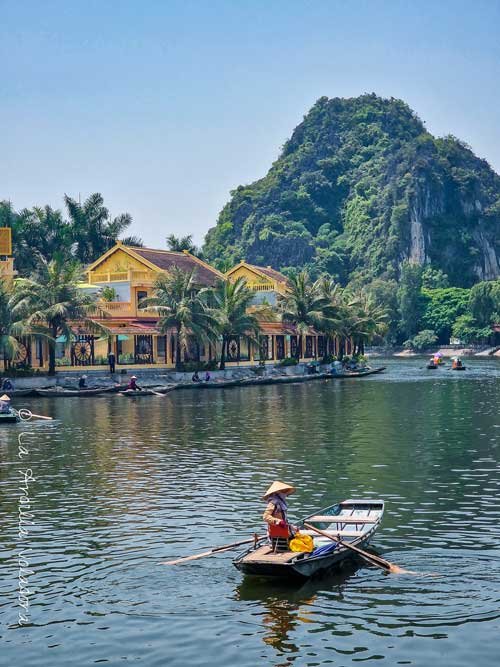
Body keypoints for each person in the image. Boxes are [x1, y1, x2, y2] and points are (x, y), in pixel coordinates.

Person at [262, 481, 296, 552]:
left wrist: (291, 527)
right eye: (283, 491)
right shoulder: (273, 503)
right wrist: (278, 521)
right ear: (278, 492)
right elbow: (265, 516)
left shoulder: (281, 502)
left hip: (284, 530)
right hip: (278, 533)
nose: (285, 493)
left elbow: (284, 519)